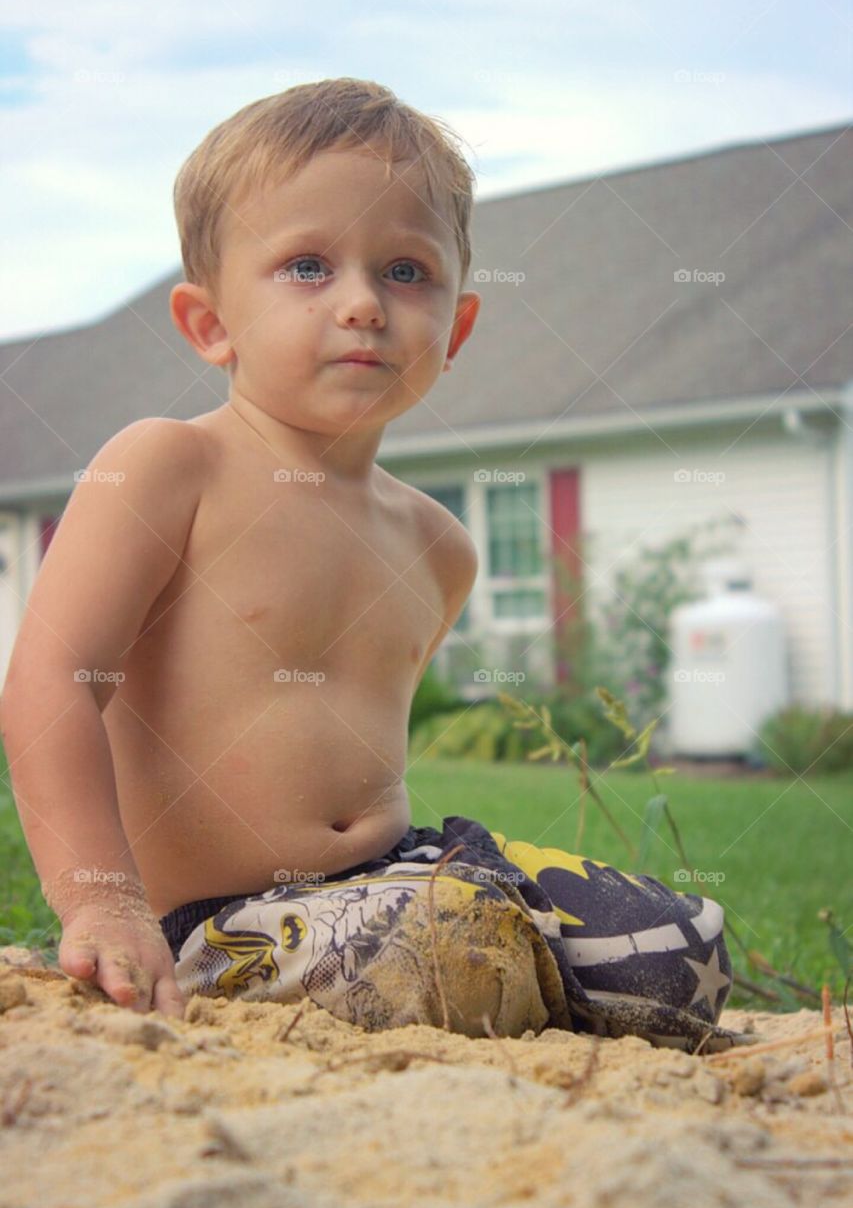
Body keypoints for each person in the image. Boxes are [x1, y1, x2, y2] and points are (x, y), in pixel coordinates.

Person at [0, 78, 739, 1051]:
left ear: (456, 328)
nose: (361, 304)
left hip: (405, 870)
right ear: (210, 323)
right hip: (222, 920)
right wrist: (100, 897)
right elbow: (52, 682)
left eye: (404, 270)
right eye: (307, 267)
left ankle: (497, 951)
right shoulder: (170, 464)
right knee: (439, 947)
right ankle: (481, 963)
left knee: (684, 951)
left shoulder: (438, 545)